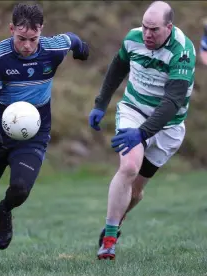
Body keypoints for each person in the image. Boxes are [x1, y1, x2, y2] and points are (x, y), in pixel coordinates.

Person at [0, 3, 89, 266]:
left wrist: (82, 49)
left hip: (34, 133)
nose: (27, 46)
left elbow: (73, 40)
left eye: (33, 39)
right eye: (21, 38)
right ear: (11, 29)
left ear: (41, 32)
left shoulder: (53, 49)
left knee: (21, 188)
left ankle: (6, 209)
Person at [88, 1, 196, 260]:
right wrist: (101, 103)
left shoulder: (182, 52)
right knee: (128, 167)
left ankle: (115, 222)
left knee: (136, 191)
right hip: (134, 111)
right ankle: (109, 242)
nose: (147, 34)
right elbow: (117, 68)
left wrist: (143, 133)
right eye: (145, 27)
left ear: (169, 27)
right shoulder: (133, 39)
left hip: (168, 125)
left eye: (155, 29)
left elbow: (172, 103)